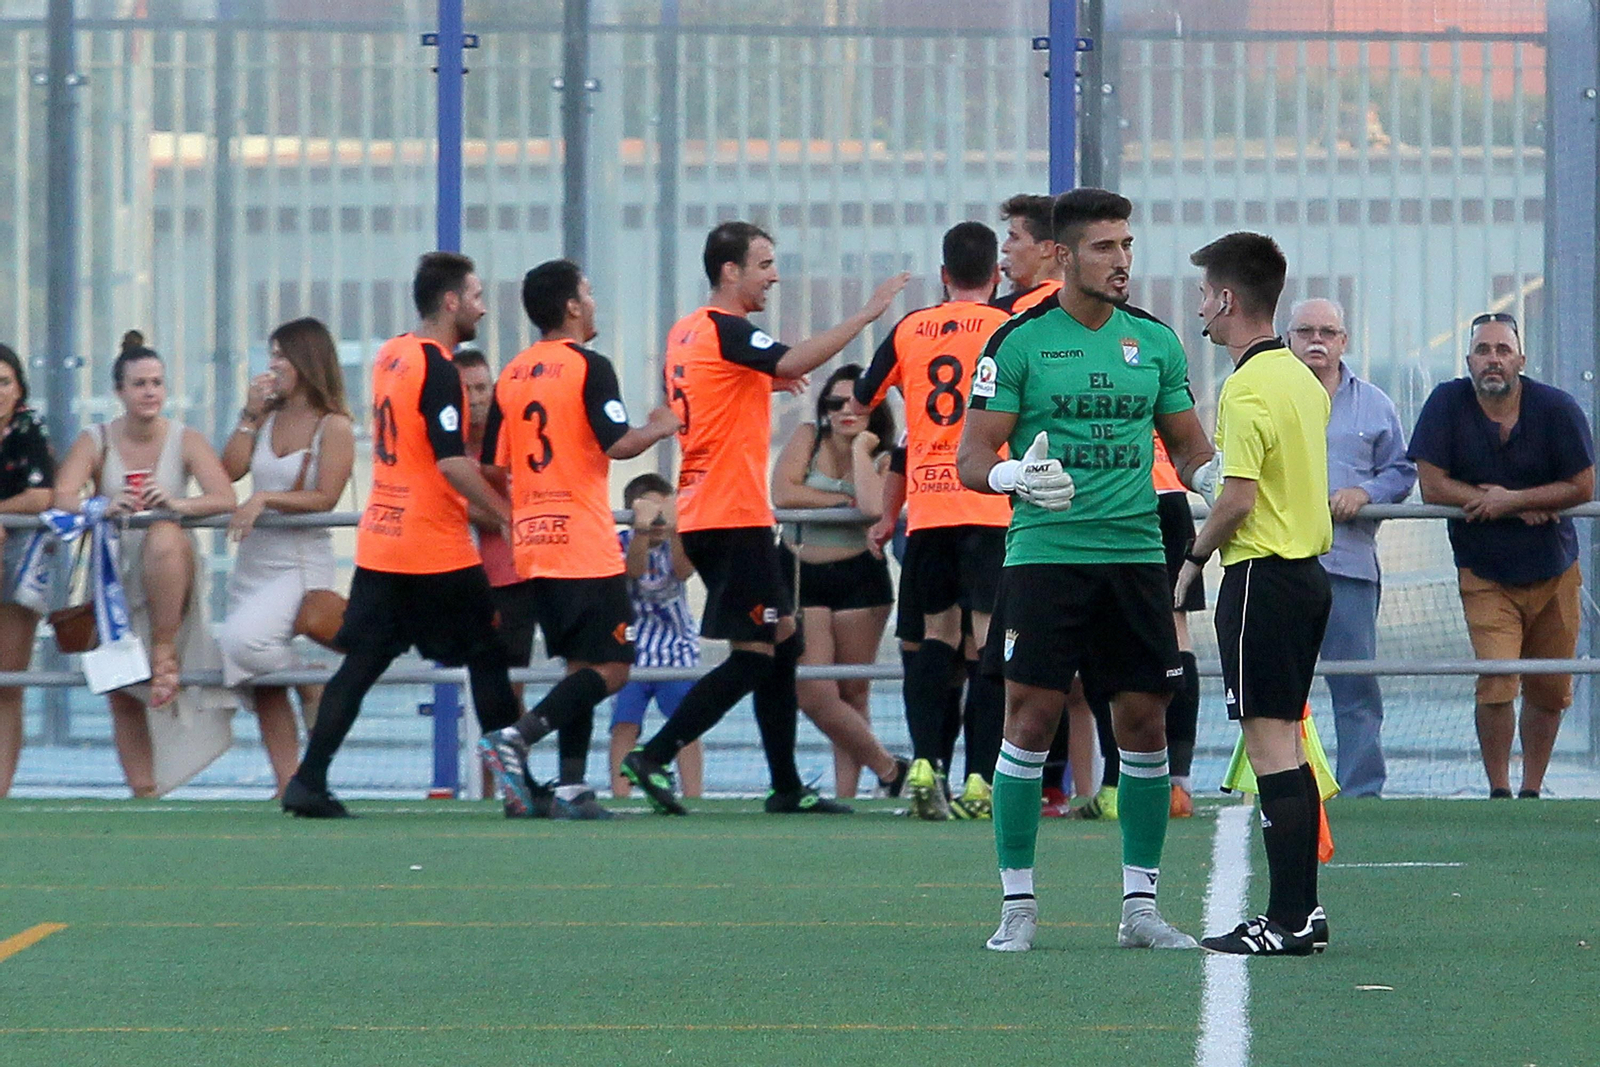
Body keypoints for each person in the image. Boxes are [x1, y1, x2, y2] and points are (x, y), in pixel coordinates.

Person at [958, 188, 1218, 953]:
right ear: (1065, 256)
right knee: (1029, 720)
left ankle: (1140, 909)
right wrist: (1009, 480)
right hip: (1045, 556)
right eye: (1107, 248)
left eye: (1128, 246)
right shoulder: (1018, 342)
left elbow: (1189, 444)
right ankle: (1018, 908)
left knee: (1144, 722)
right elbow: (971, 456)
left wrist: (1211, 475)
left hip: (1138, 554)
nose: (1123, 262)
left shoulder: (1156, 340)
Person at [620, 221, 909, 816]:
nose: (773, 275)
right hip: (731, 516)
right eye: (764, 264)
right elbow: (790, 356)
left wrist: (763, 387)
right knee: (754, 653)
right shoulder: (728, 329)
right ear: (730, 272)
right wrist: (866, 317)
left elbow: (720, 389)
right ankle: (655, 755)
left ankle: (784, 785)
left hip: (711, 511)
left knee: (782, 644)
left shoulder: (686, 333)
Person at [281, 251, 519, 818]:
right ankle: (520, 787)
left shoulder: (391, 355)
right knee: (488, 654)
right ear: (451, 301)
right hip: (431, 547)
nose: (484, 308)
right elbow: (448, 462)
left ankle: (308, 780)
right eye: (477, 296)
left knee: (361, 663)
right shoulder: (440, 368)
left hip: (383, 538)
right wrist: (506, 514)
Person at [1174, 231, 1333, 956]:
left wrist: (1190, 559)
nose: (1200, 308)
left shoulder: (1245, 385)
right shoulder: (1303, 377)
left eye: (1206, 294)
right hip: (1307, 579)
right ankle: (1303, 911)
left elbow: (1238, 498)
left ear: (1229, 298)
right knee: (1286, 746)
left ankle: (1288, 919)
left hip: (1262, 577)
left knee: (1269, 748)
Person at [476, 259, 681, 819]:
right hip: (583, 544)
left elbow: (494, 466)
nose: (593, 301)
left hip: (535, 545)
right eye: (587, 292)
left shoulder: (513, 373)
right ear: (571, 306)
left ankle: (570, 787)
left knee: (580, 668)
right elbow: (618, 444)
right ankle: (517, 737)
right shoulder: (588, 366)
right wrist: (661, 426)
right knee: (614, 667)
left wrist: (528, 501)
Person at [852, 220, 1012, 819]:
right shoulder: (1008, 326)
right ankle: (977, 778)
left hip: (930, 508)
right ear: (995, 275)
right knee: (986, 646)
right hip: (989, 504)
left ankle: (924, 761)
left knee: (936, 641)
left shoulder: (911, 328)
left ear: (945, 276)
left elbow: (864, 399)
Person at [1407, 312, 1594, 800]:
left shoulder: (1556, 409)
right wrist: (1493, 500)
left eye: (1502, 350)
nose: (1493, 359)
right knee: (1496, 678)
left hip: (1554, 569)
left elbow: (1582, 485)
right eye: (1484, 350)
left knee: (1551, 688)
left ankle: (1532, 789)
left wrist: (1514, 500)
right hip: (1484, 570)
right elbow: (1431, 484)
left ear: (1521, 360)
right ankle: (1499, 790)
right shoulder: (1446, 403)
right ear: (1469, 360)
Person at [53, 343, 237, 797]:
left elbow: (225, 497)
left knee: (164, 533)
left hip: (170, 579)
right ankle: (143, 790)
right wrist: (101, 504)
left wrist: (176, 504)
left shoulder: (185, 438)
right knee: (122, 688)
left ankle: (166, 651)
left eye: (156, 382)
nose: (150, 392)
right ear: (120, 391)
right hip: (114, 576)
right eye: (139, 384)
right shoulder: (96, 439)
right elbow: (62, 497)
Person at [218, 317, 355, 795]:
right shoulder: (269, 417)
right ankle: (289, 782)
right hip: (254, 563)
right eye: (271, 354)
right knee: (263, 677)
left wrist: (266, 500)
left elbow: (327, 496)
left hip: (298, 565)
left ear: (307, 361)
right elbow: (228, 471)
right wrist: (250, 415)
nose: (273, 364)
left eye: (282, 355)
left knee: (244, 645)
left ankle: (310, 679)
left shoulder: (333, 425)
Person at [1287, 297, 1416, 798]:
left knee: (1356, 685)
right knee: (1278, 687)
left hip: (1349, 568)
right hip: (1281, 563)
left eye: (1327, 332)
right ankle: (1284, 784)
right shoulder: (1268, 397)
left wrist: (1365, 494)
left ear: (1344, 340)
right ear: (1287, 339)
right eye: (1305, 331)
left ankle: (1363, 790)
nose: (1316, 341)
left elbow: (1402, 471)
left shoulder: (1376, 404)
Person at [774, 364, 903, 800]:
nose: (845, 410)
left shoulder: (884, 454)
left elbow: (871, 506)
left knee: (853, 691)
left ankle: (848, 796)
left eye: (856, 402)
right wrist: (837, 499)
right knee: (813, 691)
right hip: (800, 571)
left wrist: (860, 453)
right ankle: (889, 769)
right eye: (834, 402)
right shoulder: (808, 437)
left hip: (859, 577)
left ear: (874, 407)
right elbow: (783, 492)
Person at [1078, 434, 1207, 821]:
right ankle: (1177, 783)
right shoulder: (1159, 369)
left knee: (1101, 636)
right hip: (1166, 490)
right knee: (1175, 630)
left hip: (1110, 491)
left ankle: (1117, 784)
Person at [609, 473, 704, 800]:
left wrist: (677, 528)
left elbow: (682, 571)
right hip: (633, 649)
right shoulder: (622, 542)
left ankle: (694, 795)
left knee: (686, 723)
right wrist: (641, 531)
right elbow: (633, 571)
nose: (659, 522)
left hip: (676, 648)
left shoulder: (678, 542)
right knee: (624, 725)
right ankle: (621, 793)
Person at [0, 345, 55, 797]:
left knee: (7, 681)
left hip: (19, 561)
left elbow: (43, 495)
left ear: (19, 388)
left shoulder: (28, 428)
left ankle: (1, 789)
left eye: (4, 382)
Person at [992, 194, 1063, 314]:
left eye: (1014, 238)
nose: (1004, 248)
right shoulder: (1090, 307)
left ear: (1046, 248)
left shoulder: (1005, 313)